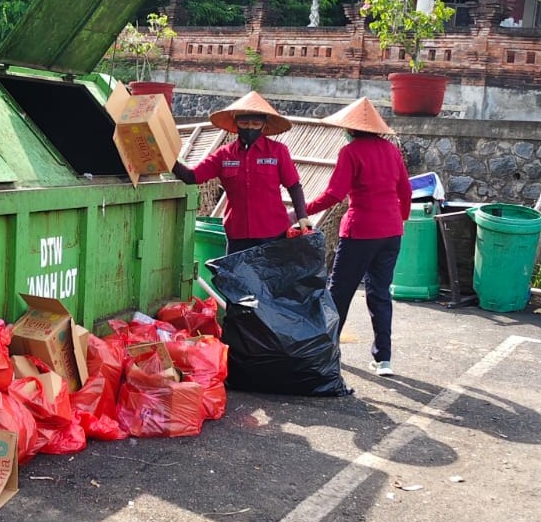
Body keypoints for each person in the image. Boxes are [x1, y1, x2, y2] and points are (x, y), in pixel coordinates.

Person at [305, 98, 411, 377]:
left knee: (339, 292)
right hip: (391, 232)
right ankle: (383, 359)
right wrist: (401, 219)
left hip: (360, 230)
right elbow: (405, 191)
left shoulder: (350, 152)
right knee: (380, 293)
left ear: (349, 129)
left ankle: (327, 352)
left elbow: (334, 195)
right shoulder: (391, 149)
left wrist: (301, 211)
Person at [172, 92, 310, 254]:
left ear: (264, 125)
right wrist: (166, 159)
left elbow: (294, 186)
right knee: (236, 279)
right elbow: (191, 177)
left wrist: (303, 219)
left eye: (255, 124)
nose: (250, 128)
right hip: (238, 234)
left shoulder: (278, 151)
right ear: (236, 123)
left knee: (269, 279)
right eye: (244, 123)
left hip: (273, 233)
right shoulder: (223, 155)